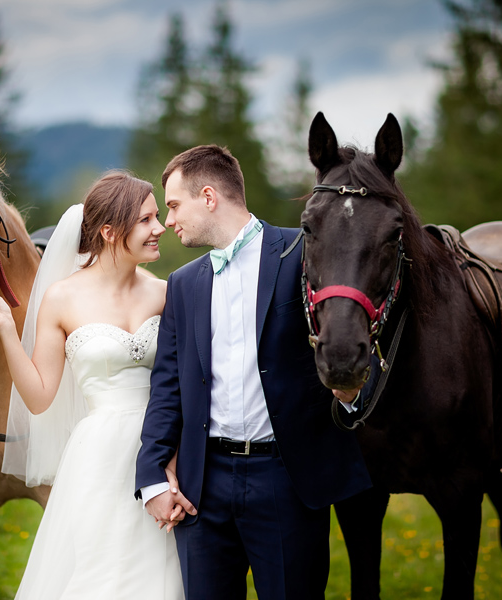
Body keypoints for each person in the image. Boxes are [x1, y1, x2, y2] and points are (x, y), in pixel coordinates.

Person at [135, 146, 373, 599]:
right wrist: (151, 478)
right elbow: (167, 387)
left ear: (208, 196)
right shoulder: (183, 285)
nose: (168, 221)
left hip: (285, 480)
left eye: (173, 205)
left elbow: (351, 331)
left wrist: (351, 393)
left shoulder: (303, 254)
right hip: (202, 487)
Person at [0, 170, 185, 599]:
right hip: (100, 459)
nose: (159, 228)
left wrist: (176, 464)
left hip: (164, 449)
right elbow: (38, 397)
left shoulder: (167, 292)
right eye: (146, 220)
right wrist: (5, 331)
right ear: (109, 231)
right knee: (99, 574)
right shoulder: (61, 298)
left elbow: (185, 386)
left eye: (158, 217)